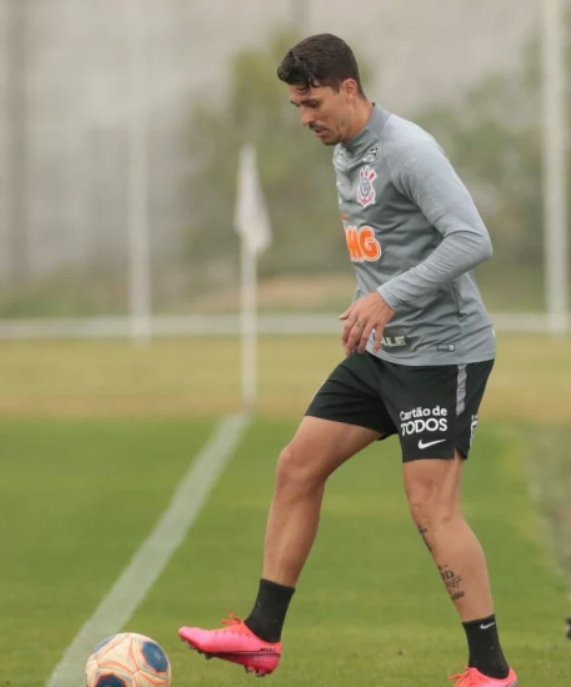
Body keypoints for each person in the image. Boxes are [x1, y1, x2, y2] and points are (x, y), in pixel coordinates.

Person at [178, 32, 517, 687]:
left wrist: (386, 296)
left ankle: (491, 672)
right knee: (296, 466)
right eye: (296, 107)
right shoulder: (345, 148)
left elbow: (471, 239)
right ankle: (260, 635)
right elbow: (386, 241)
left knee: (431, 509)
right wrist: (369, 300)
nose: (304, 118)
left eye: (311, 103)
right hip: (380, 352)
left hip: (442, 355)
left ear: (349, 90)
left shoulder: (408, 150)